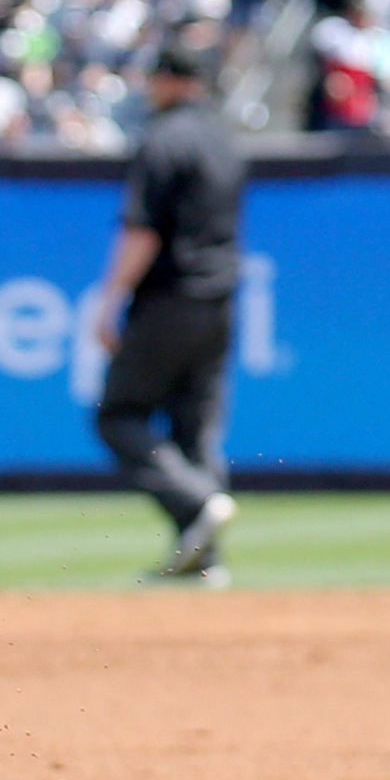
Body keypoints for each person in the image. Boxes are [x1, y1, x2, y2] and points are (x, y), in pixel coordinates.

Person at [92, 39, 250, 584]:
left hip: (168, 299)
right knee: (197, 427)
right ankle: (204, 560)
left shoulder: (162, 139)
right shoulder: (222, 140)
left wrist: (109, 299)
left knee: (117, 413)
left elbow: (143, 231)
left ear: (164, 79)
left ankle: (196, 502)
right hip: (220, 299)